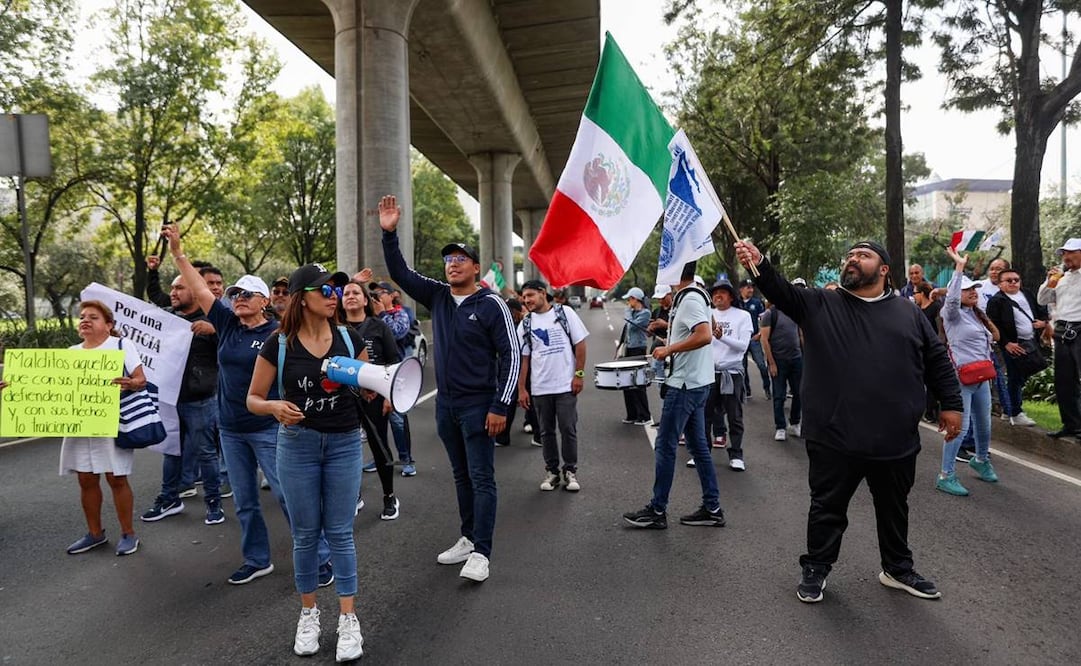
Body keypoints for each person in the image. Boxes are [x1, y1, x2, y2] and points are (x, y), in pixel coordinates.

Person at [735, 238, 962, 604]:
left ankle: (897, 569)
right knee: (827, 507)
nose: (853, 259)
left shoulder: (907, 311)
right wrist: (757, 262)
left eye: (864, 255)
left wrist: (951, 404)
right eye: (851, 255)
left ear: (884, 269)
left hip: (895, 437)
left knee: (893, 507)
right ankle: (816, 567)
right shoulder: (819, 304)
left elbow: (936, 358)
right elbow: (778, 288)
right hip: (834, 436)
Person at [160, 226, 334, 588]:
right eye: (235, 293)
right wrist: (177, 253)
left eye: (246, 294)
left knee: (287, 497)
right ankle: (257, 559)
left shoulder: (279, 332)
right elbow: (200, 289)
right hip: (231, 430)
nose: (238, 298)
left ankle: (320, 557)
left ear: (264, 301)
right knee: (244, 501)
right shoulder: (227, 324)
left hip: (269, 429)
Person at [380, 194, 520, 584]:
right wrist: (389, 234)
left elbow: (511, 355)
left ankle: (482, 553)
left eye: (460, 258)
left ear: (475, 267)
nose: (452, 264)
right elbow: (400, 273)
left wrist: (501, 405)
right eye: (448, 259)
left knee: (482, 477)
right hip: (447, 405)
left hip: (480, 405)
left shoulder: (491, 304)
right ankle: (468, 537)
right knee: (461, 476)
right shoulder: (438, 295)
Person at [246, 263, 365, 660]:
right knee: (305, 535)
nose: (334, 297)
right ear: (302, 298)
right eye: (326, 291)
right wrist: (274, 407)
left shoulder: (349, 338)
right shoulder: (278, 345)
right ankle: (309, 614)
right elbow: (253, 399)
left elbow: (370, 386)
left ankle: (348, 619)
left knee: (341, 533)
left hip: (345, 443)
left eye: (337, 291)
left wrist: (377, 387)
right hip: (297, 446)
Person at [623, 261, 725, 530]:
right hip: (696, 382)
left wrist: (669, 350)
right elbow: (710, 327)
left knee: (665, 445)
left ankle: (657, 510)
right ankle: (712, 508)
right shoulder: (696, 294)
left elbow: (704, 335)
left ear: (678, 270)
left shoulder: (690, 298)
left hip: (685, 386)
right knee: (698, 447)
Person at [57, 301, 144, 555]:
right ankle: (95, 534)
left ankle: (128, 533)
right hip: (81, 424)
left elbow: (141, 379)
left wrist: (131, 383)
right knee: (85, 478)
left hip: (112, 422)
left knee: (116, 477)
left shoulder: (121, 346)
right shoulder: (71, 352)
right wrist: (16, 387)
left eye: (93, 317)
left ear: (108, 325)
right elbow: (55, 387)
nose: (85, 320)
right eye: (83, 316)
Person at [139, 274, 222, 526]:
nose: (173, 293)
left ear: (196, 292)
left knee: (206, 453)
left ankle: (214, 504)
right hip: (169, 398)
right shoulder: (165, 319)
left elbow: (232, 341)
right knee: (171, 450)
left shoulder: (213, 320)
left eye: (179, 288)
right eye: (172, 288)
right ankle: (169, 499)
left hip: (200, 399)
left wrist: (214, 331)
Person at [937, 246, 1001, 497]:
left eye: (975, 288)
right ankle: (946, 475)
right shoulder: (951, 314)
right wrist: (959, 268)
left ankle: (981, 460)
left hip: (982, 377)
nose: (973, 292)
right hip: (961, 379)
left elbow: (992, 339)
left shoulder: (976, 314)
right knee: (959, 428)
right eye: (967, 289)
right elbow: (952, 299)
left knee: (984, 425)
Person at [517, 279, 589, 491]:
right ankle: (552, 472)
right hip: (540, 388)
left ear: (542, 293)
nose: (527, 300)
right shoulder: (526, 324)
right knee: (546, 432)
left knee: (568, 428)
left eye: (530, 295)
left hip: (565, 386)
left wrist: (579, 375)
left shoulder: (565, 313)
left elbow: (580, 345)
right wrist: (522, 389)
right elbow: (523, 360)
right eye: (524, 297)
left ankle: (570, 471)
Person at [341, 280, 402, 520]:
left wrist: (389, 395)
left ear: (365, 300)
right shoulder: (335, 327)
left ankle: (389, 496)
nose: (351, 296)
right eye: (346, 293)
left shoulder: (379, 326)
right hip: (344, 398)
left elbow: (393, 361)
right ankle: (353, 496)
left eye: (356, 292)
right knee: (346, 449)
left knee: (379, 446)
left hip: (374, 397)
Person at [987, 268, 1048, 427]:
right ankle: (1015, 412)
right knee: (1015, 376)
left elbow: (1041, 310)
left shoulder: (1027, 294)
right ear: (1000, 284)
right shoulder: (997, 301)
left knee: (1025, 374)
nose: (1013, 283)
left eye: (1016, 280)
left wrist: (1043, 322)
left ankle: (1008, 408)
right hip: (1012, 344)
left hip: (1030, 341)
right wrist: (1006, 343)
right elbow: (993, 325)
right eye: (1009, 280)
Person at [702, 279, 751, 471]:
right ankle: (703, 453)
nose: (717, 296)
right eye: (715, 293)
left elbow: (743, 346)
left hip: (731, 373)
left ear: (731, 296)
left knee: (734, 416)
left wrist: (722, 336)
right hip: (708, 372)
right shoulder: (707, 314)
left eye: (722, 292)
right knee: (705, 415)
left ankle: (736, 455)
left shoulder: (742, 316)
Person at [1038, 237, 1081, 438]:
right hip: (1063, 328)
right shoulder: (1061, 277)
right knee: (1064, 380)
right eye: (1064, 253)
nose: (1066, 257)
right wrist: (1049, 282)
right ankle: (1072, 424)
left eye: (1071, 252)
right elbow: (1042, 300)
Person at [760, 301, 803, 442]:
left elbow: (800, 334)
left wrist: (805, 355)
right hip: (778, 360)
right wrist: (771, 363)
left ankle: (795, 422)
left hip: (796, 359)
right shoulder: (770, 314)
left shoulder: (795, 311)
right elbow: (764, 339)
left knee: (799, 393)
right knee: (779, 395)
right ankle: (780, 427)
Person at [619, 286, 652, 425]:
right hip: (629, 349)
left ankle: (644, 415)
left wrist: (627, 311)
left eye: (629, 299)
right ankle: (632, 414)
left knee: (638, 382)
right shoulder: (633, 313)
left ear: (635, 299)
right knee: (627, 382)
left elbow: (631, 326)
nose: (628, 302)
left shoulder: (645, 313)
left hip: (638, 349)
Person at [738, 278, 771, 400]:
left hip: (754, 339)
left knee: (761, 364)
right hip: (741, 339)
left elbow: (763, 320)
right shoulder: (736, 302)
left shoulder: (757, 303)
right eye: (748, 287)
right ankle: (747, 390)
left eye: (752, 287)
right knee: (742, 367)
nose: (751, 290)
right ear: (741, 289)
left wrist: (760, 333)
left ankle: (767, 387)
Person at [647, 284, 673, 397]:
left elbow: (682, 329)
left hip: (672, 352)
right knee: (660, 383)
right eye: (658, 298)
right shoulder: (656, 311)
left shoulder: (676, 310)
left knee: (670, 383)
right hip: (657, 352)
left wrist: (665, 325)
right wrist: (650, 328)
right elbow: (648, 334)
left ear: (670, 295)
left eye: (663, 298)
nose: (660, 301)